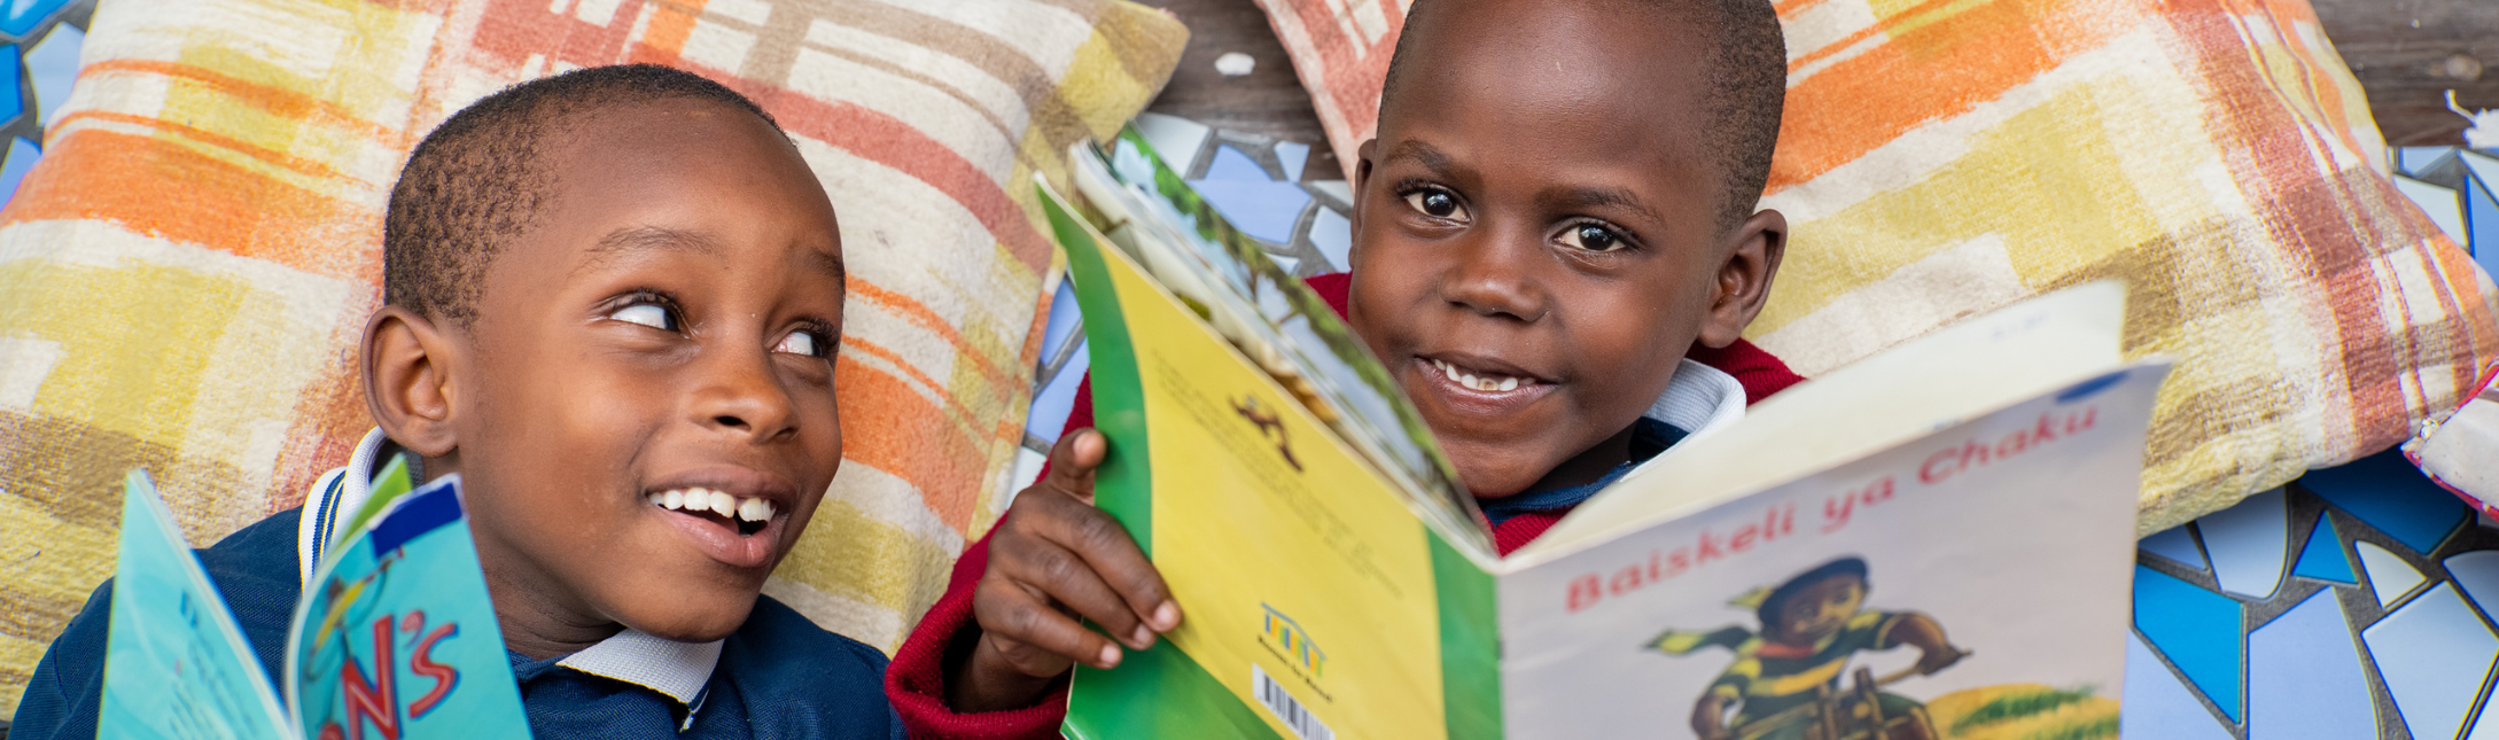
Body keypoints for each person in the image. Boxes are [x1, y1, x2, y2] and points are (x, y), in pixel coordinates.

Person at [886, 0, 1803, 735]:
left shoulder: (1811, 480)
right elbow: (997, 684)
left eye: (1593, 236)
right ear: (1364, 205)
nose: (1488, 284)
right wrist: (1003, 662)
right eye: (1434, 201)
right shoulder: (1212, 361)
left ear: (1730, 280)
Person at [12, 64, 901, 739]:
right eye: (653, 314)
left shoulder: (834, 707)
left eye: (806, 341)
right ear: (424, 385)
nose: (760, 397)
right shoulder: (173, 648)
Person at [1652, 557, 1970, 740]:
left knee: (1906, 714)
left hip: (1835, 705)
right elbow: (1713, 701)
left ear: (1862, 594)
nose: (1825, 615)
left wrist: (1935, 648)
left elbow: (1906, 623)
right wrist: (1714, 730)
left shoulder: (1847, 631)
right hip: (1770, 730)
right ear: (1775, 625)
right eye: (1804, 612)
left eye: (1841, 599)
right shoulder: (1757, 661)